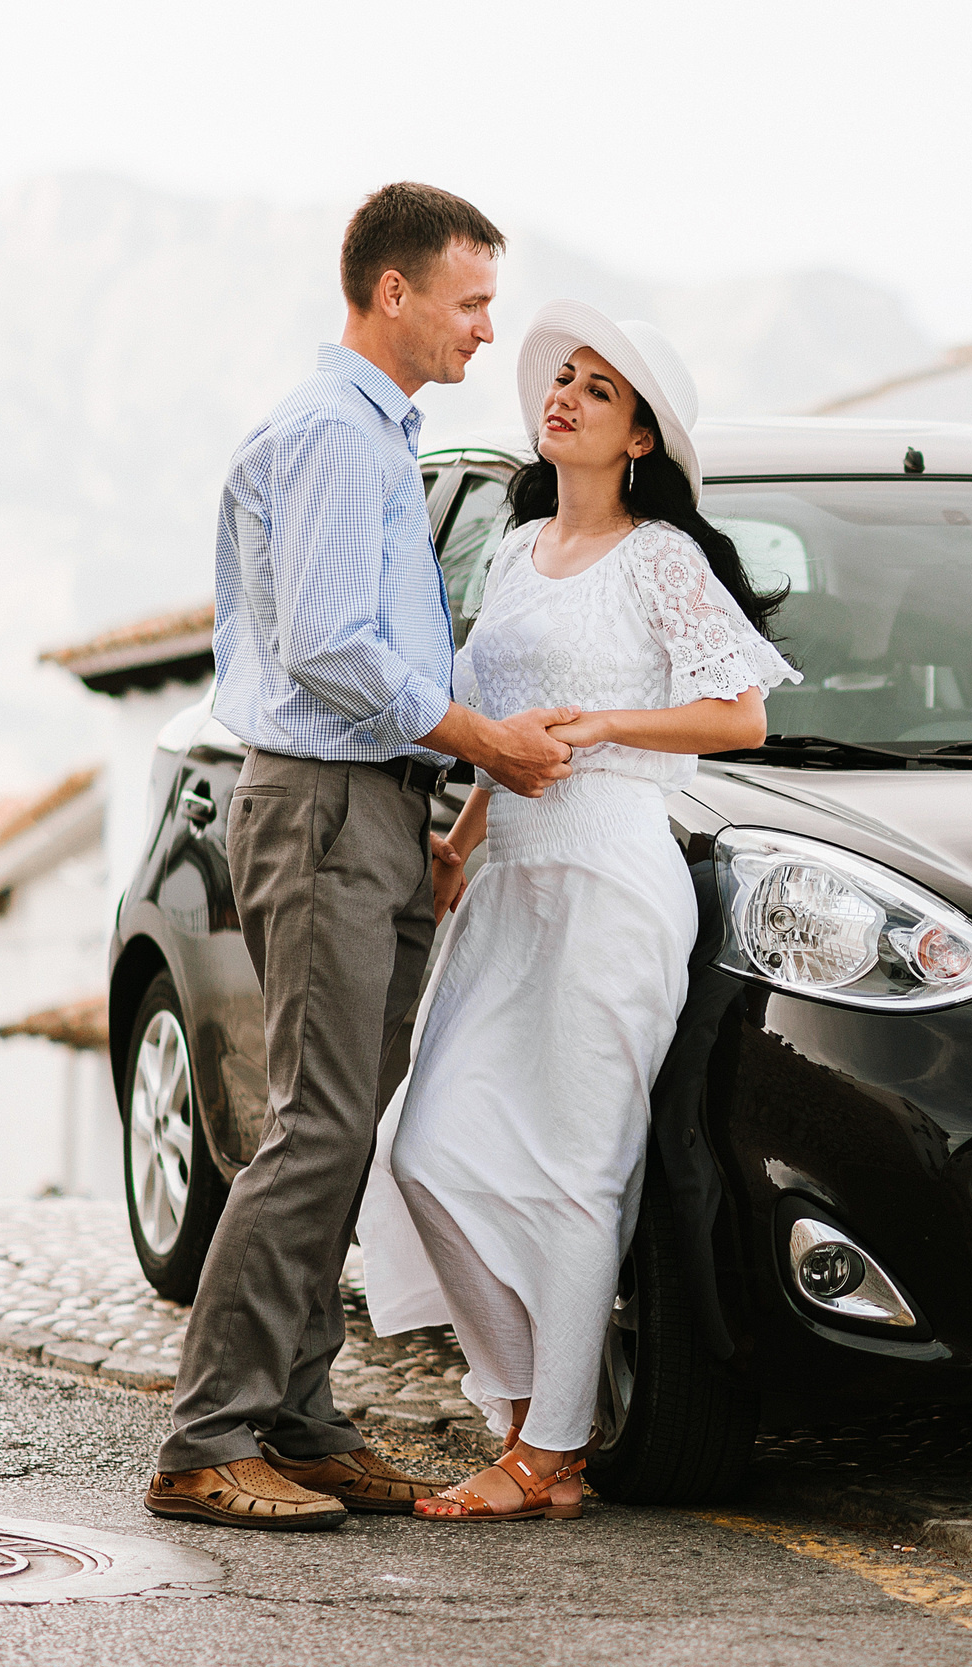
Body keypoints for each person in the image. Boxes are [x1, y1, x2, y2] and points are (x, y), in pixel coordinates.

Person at [147, 185, 592, 1532]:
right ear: (390, 294)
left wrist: (434, 813)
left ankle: (297, 1416)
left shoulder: (375, 438)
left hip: (377, 808)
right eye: (469, 302)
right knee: (318, 1122)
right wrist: (482, 745)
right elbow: (336, 649)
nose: (484, 328)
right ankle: (207, 1437)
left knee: (346, 1122)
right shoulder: (334, 439)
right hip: (327, 803)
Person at [356, 300, 797, 1521]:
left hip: (612, 873)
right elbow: (503, 740)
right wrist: (457, 838)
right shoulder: (510, 553)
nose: (563, 395)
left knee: (576, 1164)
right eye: (561, 379)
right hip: (507, 880)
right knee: (428, 1144)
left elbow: (738, 716)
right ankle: (526, 1411)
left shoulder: (662, 559)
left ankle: (549, 1451)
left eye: (598, 391)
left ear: (640, 437)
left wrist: (603, 725)